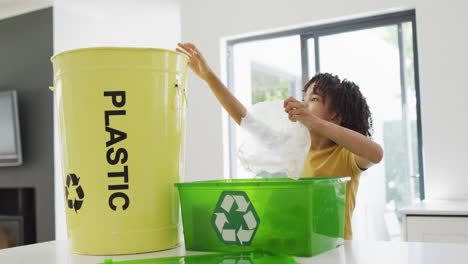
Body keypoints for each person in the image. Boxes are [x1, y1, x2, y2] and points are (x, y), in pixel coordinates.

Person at [176, 42, 383, 240]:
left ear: (335, 117)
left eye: (314, 99)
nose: (304, 104)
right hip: (298, 247)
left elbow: (375, 153)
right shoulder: (292, 147)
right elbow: (246, 120)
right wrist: (208, 76)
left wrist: (314, 122)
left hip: (334, 251)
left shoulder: (346, 157)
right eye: (305, 97)